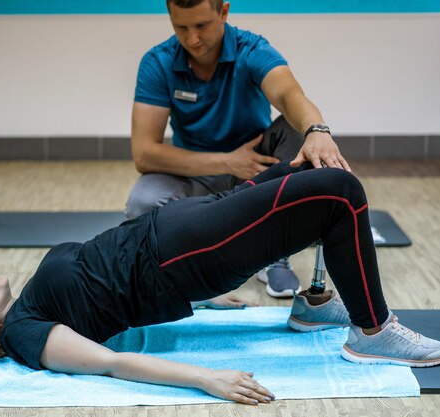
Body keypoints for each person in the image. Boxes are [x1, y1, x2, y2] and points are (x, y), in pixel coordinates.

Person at [0, 162, 440, 405]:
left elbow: (107, 289)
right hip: (180, 252)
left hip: (177, 233)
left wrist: (211, 298)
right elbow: (111, 361)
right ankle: (372, 332)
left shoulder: (30, 299)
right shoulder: (24, 333)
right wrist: (204, 379)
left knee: (298, 169)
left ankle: (312, 307)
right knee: (338, 193)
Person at [127, 0, 351, 297]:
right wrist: (228, 162)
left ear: (223, 12)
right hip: (194, 174)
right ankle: (175, 269)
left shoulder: (251, 50)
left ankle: (274, 255)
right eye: (181, 27)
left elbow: (288, 95)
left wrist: (317, 129)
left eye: (202, 26)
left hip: (256, 174)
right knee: (142, 202)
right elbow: (144, 154)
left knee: (294, 128)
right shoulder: (159, 62)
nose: (192, 38)